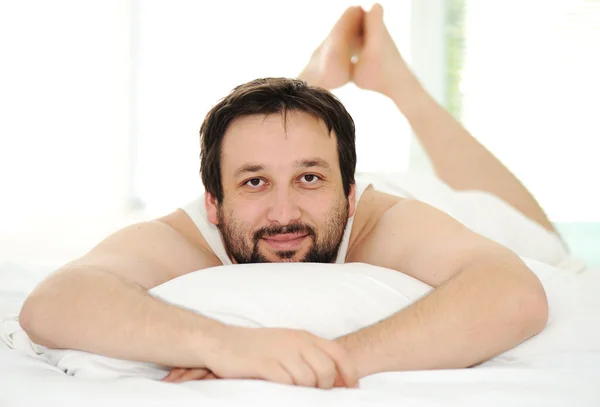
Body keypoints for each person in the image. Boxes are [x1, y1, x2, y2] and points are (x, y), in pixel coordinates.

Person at [20, 4, 555, 390]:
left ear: (350, 193)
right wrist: (229, 346)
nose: (283, 214)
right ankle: (312, 84)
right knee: (281, 146)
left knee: (550, 244)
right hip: (281, 178)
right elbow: (55, 301)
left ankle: (393, 80)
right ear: (211, 204)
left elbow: (514, 292)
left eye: (311, 180)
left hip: (459, 206)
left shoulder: (385, 219)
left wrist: (325, 359)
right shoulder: (190, 232)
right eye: (252, 183)